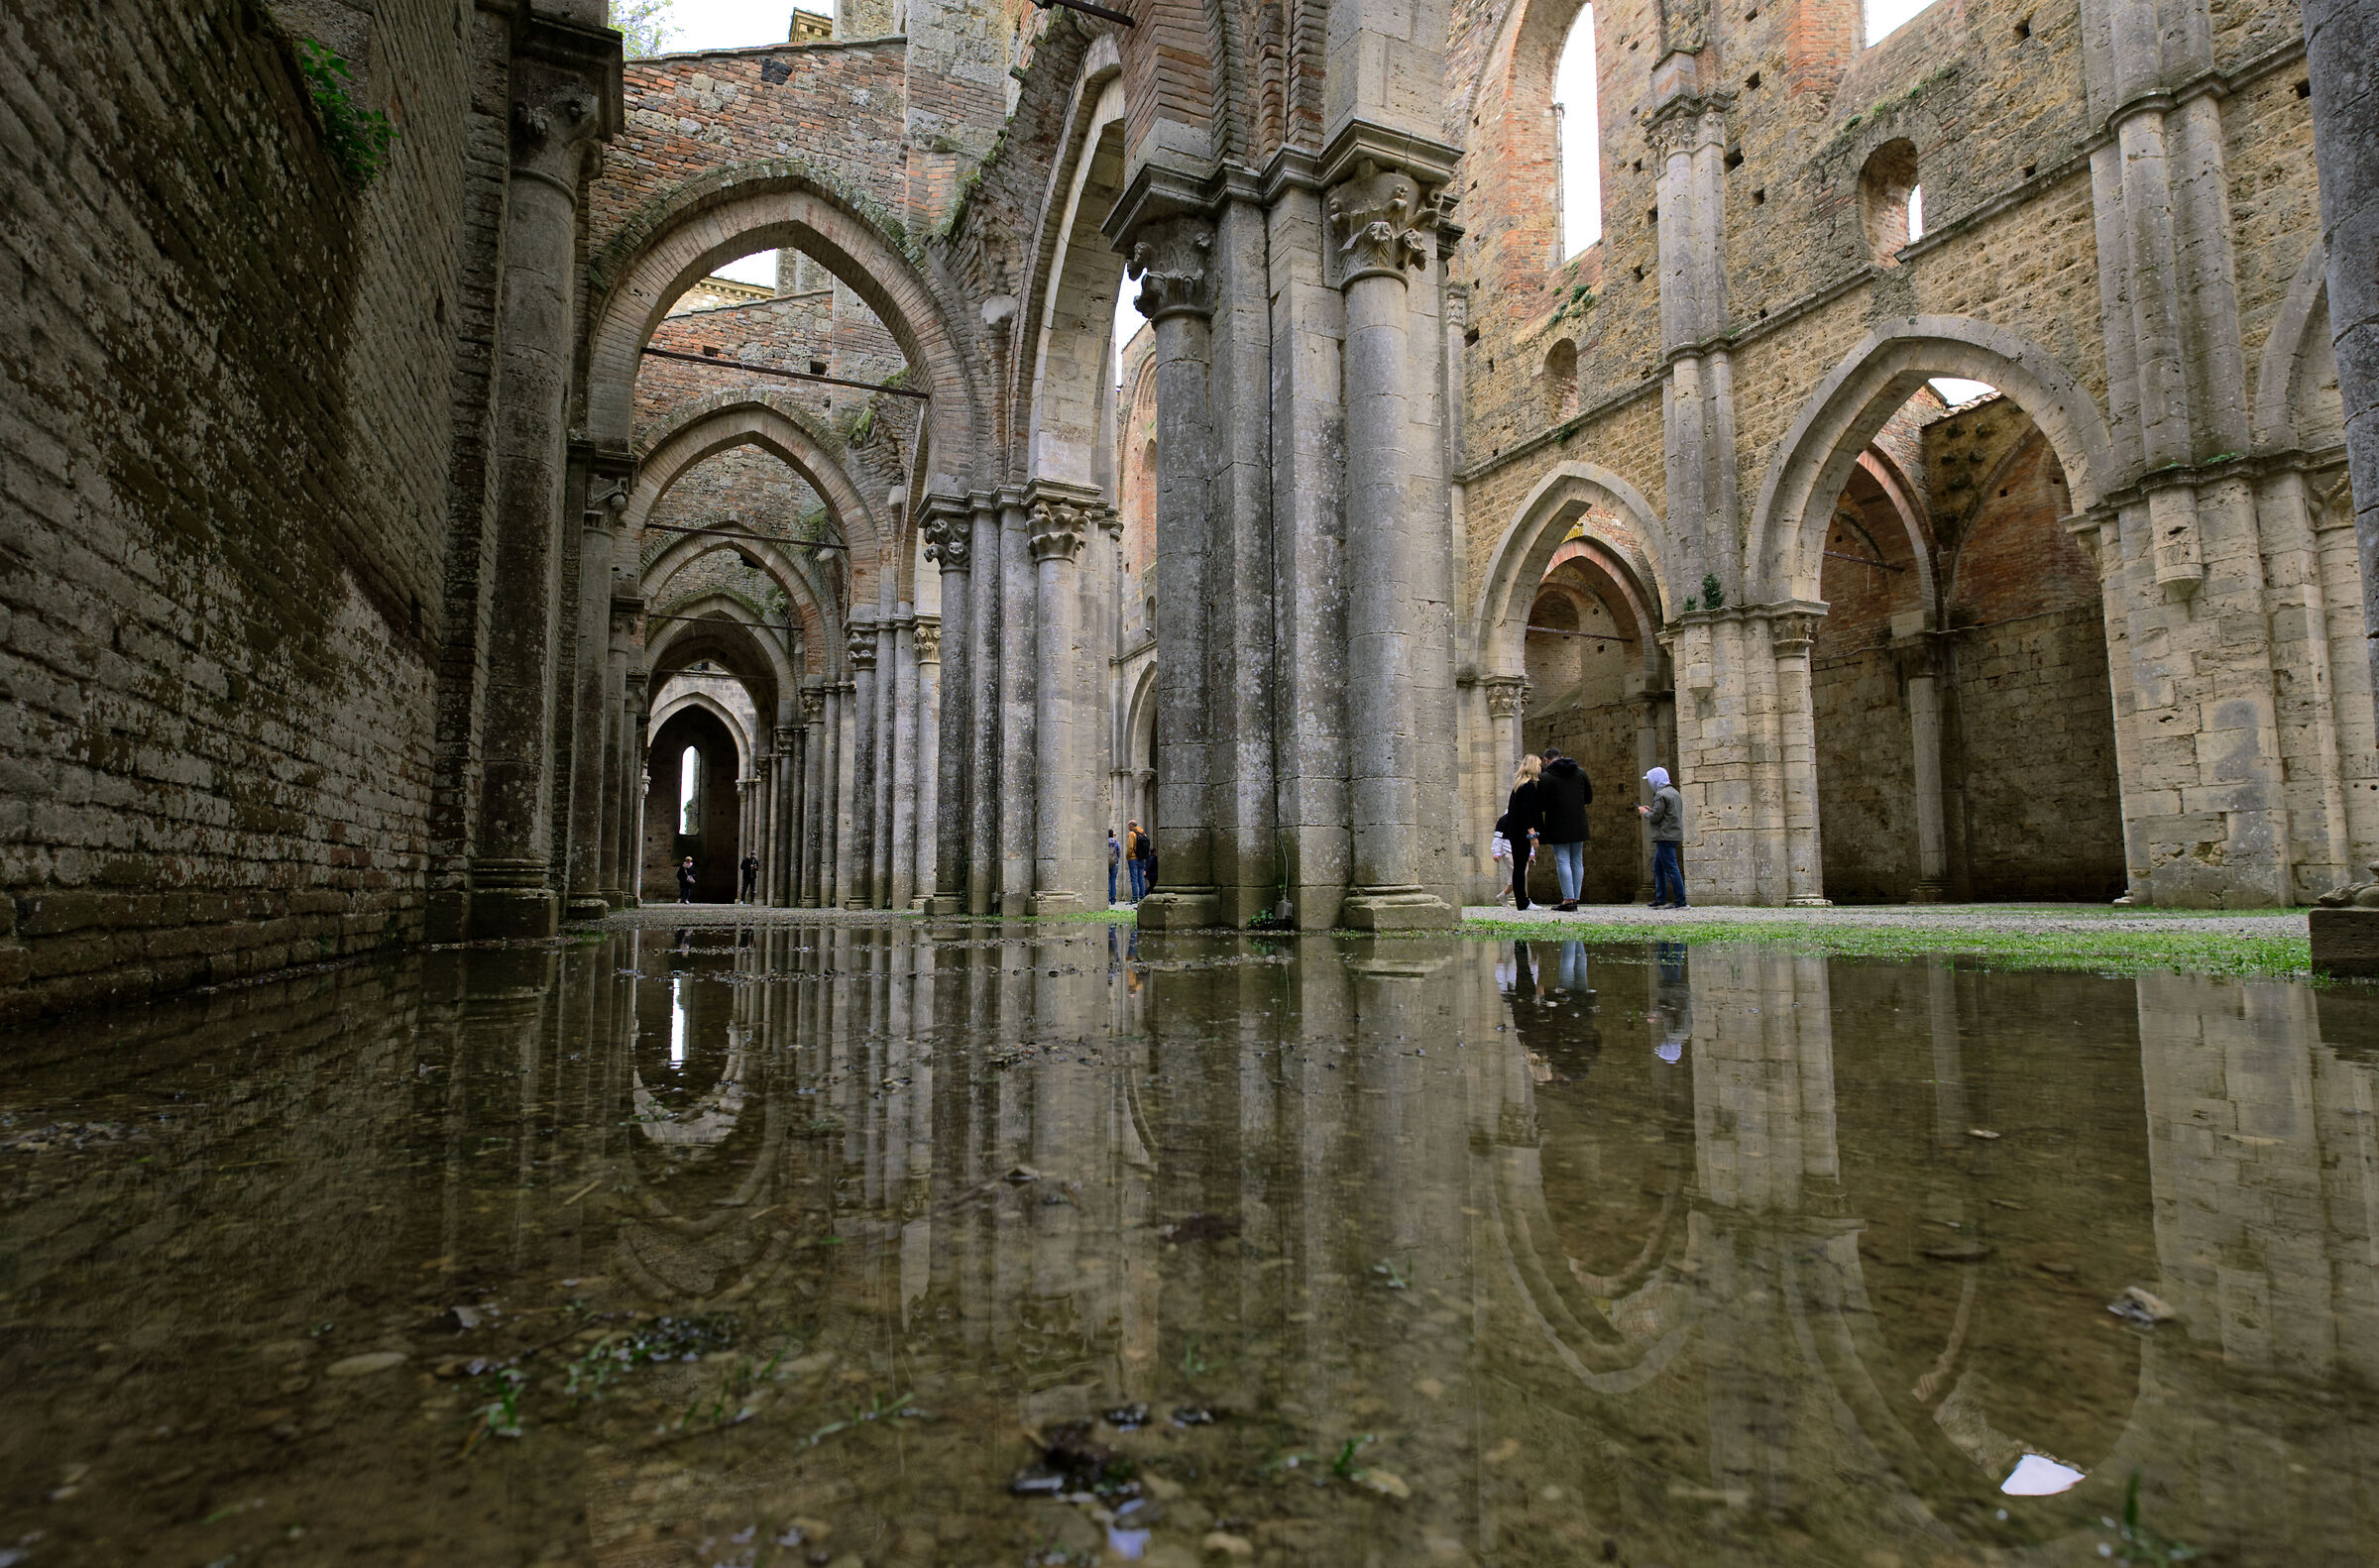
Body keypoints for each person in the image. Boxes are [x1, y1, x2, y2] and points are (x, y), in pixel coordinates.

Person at [1536, 748, 1593, 911]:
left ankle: (1568, 899)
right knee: (1577, 860)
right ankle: (1575, 898)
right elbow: (1588, 798)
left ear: (1547, 760)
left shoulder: (1546, 777)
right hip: (1578, 821)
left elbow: (1540, 804)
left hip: (1557, 823)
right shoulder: (1580, 772)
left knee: (1562, 860)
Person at [1495, 754, 1543, 910]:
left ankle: (1522, 901)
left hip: (1515, 832)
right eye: (1539, 765)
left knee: (1519, 867)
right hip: (1523, 832)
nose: (1541, 768)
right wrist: (1533, 835)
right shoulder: (1528, 786)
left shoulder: (1518, 785)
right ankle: (1523, 901)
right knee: (1521, 867)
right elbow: (1527, 812)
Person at [1638, 765, 1688, 909]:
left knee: (1671, 868)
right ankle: (1660, 899)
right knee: (1658, 867)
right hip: (1673, 834)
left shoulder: (1661, 795)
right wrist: (1652, 810)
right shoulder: (1674, 792)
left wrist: (1645, 812)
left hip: (1665, 836)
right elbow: (1667, 814)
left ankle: (1681, 901)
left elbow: (1656, 817)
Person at [1129, 820, 1155, 901]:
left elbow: (1130, 847)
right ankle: (1142, 896)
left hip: (1133, 858)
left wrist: (1128, 856)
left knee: (1134, 878)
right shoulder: (1144, 834)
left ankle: (1135, 897)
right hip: (1142, 859)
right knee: (1141, 878)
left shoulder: (1132, 834)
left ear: (1131, 825)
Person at [1107, 829, 1121, 906]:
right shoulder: (1116, 842)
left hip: (1107, 863)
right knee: (1113, 881)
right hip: (1115, 863)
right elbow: (1119, 853)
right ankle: (1113, 899)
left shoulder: (1105, 842)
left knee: (1108, 881)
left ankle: (1107, 898)